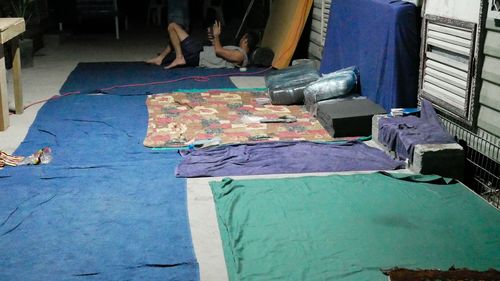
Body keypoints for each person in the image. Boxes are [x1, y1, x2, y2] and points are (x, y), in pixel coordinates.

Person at [146, 20, 259, 69]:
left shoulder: (240, 55)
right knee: (175, 38)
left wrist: (216, 35)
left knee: (172, 26)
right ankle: (161, 58)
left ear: (245, 41)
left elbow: (219, 51)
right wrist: (213, 40)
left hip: (197, 54)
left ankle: (179, 57)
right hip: (199, 52)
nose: (240, 39)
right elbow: (219, 52)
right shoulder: (238, 52)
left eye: (242, 37)